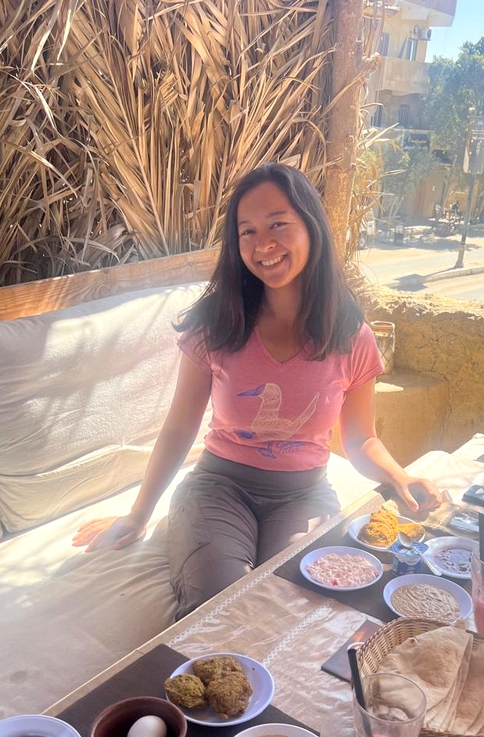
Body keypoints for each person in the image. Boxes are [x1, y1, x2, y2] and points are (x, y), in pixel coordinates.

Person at [73, 163, 442, 618]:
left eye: (278, 224)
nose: (262, 244)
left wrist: (400, 476)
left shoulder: (350, 337)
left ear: (311, 226)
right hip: (218, 488)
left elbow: (361, 439)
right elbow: (179, 428)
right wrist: (138, 514)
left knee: (300, 598)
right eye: (247, 231)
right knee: (217, 605)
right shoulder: (217, 324)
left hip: (304, 495)